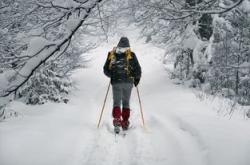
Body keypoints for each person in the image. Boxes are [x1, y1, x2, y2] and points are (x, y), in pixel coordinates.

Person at [103, 37, 141, 133]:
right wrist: (136, 80)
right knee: (126, 102)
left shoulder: (112, 54)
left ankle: (116, 121)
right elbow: (138, 70)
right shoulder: (131, 55)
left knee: (116, 102)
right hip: (128, 83)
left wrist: (112, 75)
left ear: (118, 44)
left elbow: (105, 70)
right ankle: (124, 122)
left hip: (116, 82)